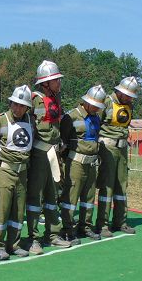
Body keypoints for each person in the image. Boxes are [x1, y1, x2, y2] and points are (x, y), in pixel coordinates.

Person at [25, 60, 72, 254]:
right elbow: (29, 126)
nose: (59, 83)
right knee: (36, 197)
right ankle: (34, 238)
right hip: (38, 154)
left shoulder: (55, 99)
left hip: (53, 154)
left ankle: (53, 234)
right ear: (46, 83)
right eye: (55, 80)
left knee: (53, 195)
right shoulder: (35, 99)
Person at [0, 85, 34, 260]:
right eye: (14, 104)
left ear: (27, 107)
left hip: (22, 173)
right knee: (1, 210)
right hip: (3, 171)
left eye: (21, 105)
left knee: (18, 211)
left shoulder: (30, 121)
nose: (17, 108)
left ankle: (14, 244)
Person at [59, 85, 106, 244]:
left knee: (88, 197)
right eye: (95, 106)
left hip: (91, 164)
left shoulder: (96, 118)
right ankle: (67, 229)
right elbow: (63, 143)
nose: (97, 109)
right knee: (71, 198)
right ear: (86, 102)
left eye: (99, 107)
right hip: (76, 164)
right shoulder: (71, 117)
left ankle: (85, 226)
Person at [96, 77, 138, 237]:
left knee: (121, 186)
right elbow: (96, 123)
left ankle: (120, 222)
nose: (128, 98)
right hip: (108, 148)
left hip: (122, 149)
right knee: (107, 186)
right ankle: (103, 225)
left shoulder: (129, 105)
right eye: (126, 94)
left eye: (131, 96)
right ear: (119, 91)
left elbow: (125, 126)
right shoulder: (106, 102)